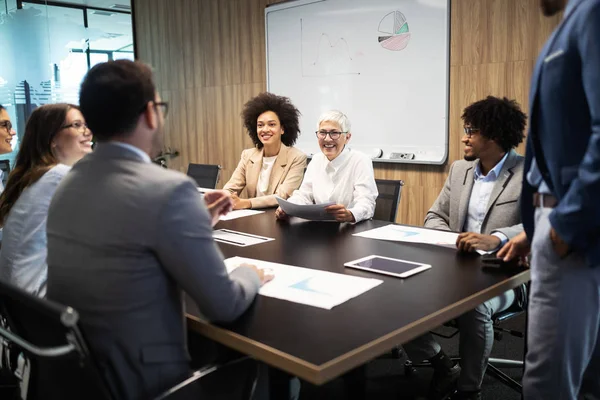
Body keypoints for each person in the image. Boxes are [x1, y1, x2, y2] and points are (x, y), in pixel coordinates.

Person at [45, 60, 273, 400]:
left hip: (83, 376)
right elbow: (223, 305)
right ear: (151, 113)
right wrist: (249, 273)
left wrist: (192, 221)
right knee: (258, 365)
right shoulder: (168, 190)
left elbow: (125, 237)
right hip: (150, 382)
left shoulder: (67, 183)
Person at [497, 0, 600, 398]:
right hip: (558, 224)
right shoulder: (569, 22)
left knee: (547, 384)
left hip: (573, 231)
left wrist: (564, 224)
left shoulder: (591, 13)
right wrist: (534, 226)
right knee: (585, 377)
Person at [404, 96, 527, 400]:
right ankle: (440, 362)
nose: (464, 137)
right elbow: (434, 216)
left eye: (471, 130)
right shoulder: (460, 170)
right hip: (456, 268)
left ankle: (469, 390)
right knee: (397, 290)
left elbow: (537, 224)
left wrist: (496, 237)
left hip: (507, 273)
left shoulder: (528, 173)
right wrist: (452, 240)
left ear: (495, 135)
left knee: (474, 305)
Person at [0, 104, 92, 297]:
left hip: (19, 302)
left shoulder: (34, 176)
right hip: (40, 304)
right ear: (52, 139)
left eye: (86, 124)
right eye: (76, 125)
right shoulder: (60, 176)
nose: (88, 132)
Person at [275, 110, 377, 223]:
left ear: (347, 137)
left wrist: (351, 214)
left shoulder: (360, 160)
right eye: (322, 133)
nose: (327, 139)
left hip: (350, 228)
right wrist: (288, 208)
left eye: (334, 133)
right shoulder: (316, 160)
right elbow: (304, 195)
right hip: (321, 229)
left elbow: (367, 202)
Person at [223, 92, 307, 209]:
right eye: (260, 125)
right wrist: (226, 197)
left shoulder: (297, 157)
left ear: (282, 129)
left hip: (279, 218)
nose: (265, 129)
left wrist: (247, 203)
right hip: (251, 217)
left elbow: (282, 196)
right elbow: (230, 188)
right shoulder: (248, 155)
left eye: (272, 124)